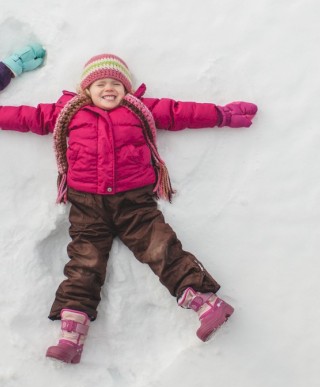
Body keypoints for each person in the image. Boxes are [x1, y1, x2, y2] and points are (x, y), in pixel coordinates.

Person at [0, 54, 257, 364]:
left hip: (134, 203)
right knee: (85, 262)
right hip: (87, 205)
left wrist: (222, 115)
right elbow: (26, 117)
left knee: (161, 248)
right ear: (86, 90)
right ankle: (72, 334)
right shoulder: (67, 112)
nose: (109, 88)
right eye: (100, 83)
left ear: (126, 89)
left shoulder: (141, 109)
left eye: (116, 83)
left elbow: (181, 113)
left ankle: (206, 303)